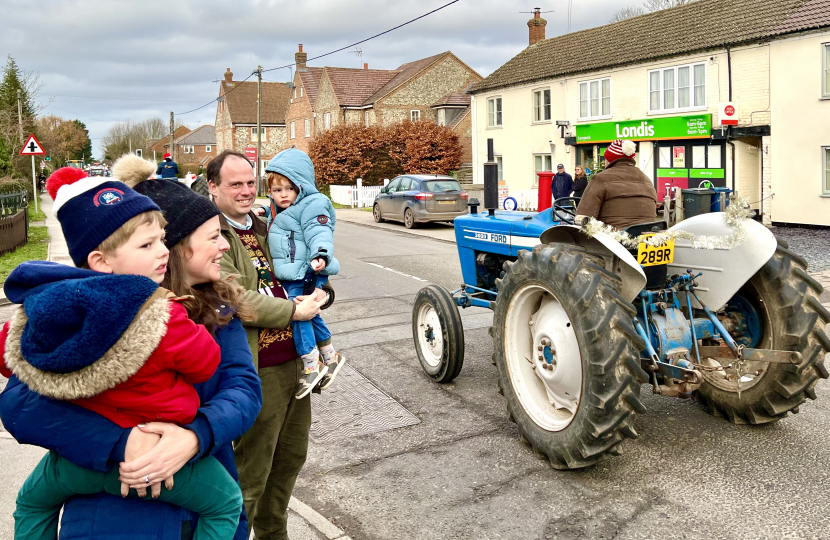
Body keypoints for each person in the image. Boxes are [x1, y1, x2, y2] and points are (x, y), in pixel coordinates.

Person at [0, 156, 264, 540]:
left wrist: (196, 436)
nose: (224, 245)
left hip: (190, 510)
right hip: (108, 520)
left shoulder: (218, 310)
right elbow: (21, 403)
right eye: (212, 236)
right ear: (173, 247)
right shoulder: (82, 315)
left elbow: (243, 389)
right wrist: (122, 443)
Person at [206, 149, 326, 540]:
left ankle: (274, 535)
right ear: (213, 187)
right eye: (234, 184)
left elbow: (299, 267)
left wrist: (321, 293)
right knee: (250, 473)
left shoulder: (267, 224)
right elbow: (236, 300)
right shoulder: (212, 235)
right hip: (257, 370)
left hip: (295, 363)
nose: (246, 191)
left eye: (249, 183)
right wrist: (295, 310)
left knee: (290, 461)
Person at [262, 149, 345, 398]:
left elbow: (319, 231)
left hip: (306, 270)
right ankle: (330, 356)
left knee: (298, 315)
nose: (283, 195)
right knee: (309, 313)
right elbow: (286, 224)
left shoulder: (313, 204)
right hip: (296, 270)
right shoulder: (283, 208)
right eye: (277, 190)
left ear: (301, 185)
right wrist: (264, 214)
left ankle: (311, 364)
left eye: (289, 188)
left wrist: (321, 254)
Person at [575, 139, 658, 230]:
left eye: (605, 158)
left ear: (609, 160)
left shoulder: (600, 179)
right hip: (647, 239)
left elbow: (583, 217)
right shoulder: (647, 180)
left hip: (612, 240)